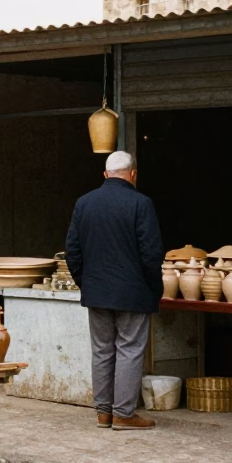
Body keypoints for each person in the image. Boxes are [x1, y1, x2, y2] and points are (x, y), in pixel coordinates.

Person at [65, 150, 164, 431]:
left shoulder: (84, 203)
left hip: (97, 292)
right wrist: (154, 289)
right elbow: (151, 254)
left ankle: (104, 413)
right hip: (133, 293)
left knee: (102, 350)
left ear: (105, 174)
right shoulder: (141, 203)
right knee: (130, 350)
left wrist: (87, 283)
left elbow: (72, 252)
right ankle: (123, 414)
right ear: (133, 174)